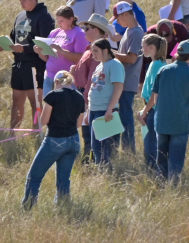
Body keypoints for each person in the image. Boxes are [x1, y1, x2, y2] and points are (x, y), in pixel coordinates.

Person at [22, 71, 85, 208]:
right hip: (74, 141)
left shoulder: (53, 95)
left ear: (57, 82)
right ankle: (63, 209)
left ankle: (28, 208)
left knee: (34, 177)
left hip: (55, 140)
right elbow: (79, 124)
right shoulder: (80, 97)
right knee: (63, 180)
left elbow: (43, 121)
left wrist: (39, 114)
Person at [142, 40, 189, 182]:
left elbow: (155, 98)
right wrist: (186, 121)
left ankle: (161, 184)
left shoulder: (163, 70)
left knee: (161, 157)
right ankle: (173, 188)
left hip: (161, 123)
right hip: (180, 125)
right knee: (176, 160)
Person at [6, 0, 54, 129]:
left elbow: (45, 44)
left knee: (36, 102)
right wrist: (7, 45)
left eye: (25, 0)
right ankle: (12, 134)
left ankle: (36, 132)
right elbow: (14, 37)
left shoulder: (44, 16)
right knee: (17, 101)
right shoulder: (20, 16)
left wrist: (25, 48)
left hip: (35, 64)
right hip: (19, 63)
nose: (22, 4)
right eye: (20, 1)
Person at [68, 15, 114, 161]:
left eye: (86, 29)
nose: (84, 31)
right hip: (84, 94)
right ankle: (91, 160)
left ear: (96, 30)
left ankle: (91, 161)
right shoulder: (90, 49)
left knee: (90, 133)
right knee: (88, 131)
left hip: (89, 96)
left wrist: (87, 100)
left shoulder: (98, 51)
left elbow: (93, 79)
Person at [85, 38, 124, 167]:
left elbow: (118, 87)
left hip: (105, 110)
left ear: (105, 50)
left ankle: (106, 173)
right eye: (92, 51)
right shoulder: (99, 66)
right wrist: (88, 111)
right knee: (95, 146)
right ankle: (101, 171)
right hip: (94, 109)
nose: (93, 54)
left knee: (102, 147)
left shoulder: (114, 64)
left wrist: (110, 109)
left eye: (96, 51)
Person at [113, 1, 146, 153]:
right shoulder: (129, 31)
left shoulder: (137, 33)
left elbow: (132, 59)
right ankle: (123, 148)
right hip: (122, 81)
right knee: (121, 116)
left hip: (128, 81)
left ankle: (129, 150)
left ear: (125, 14)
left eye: (118, 18)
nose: (117, 22)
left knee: (126, 117)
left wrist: (111, 54)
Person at [139, 34, 169, 169]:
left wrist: (145, 111)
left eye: (143, 46)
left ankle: (154, 172)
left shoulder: (156, 65)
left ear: (151, 47)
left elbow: (154, 93)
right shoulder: (158, 63)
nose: (142, 49)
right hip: (154, 109)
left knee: (151, 145)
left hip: (153, 110)